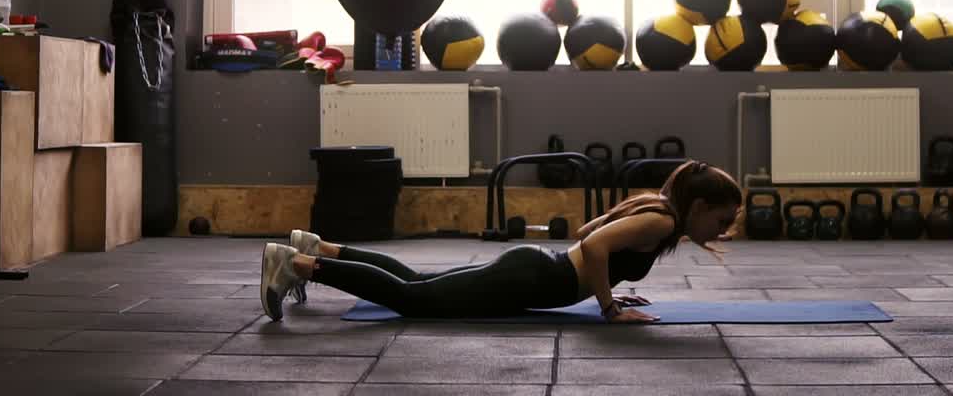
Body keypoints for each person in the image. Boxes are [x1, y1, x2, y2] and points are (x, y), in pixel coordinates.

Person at [259, 160, 743, 323]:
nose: (720, 233)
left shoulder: (653, 209)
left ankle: (319, 247)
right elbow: (594, 248)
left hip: (535, 269)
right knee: (412, 299)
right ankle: (297, 264)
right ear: (698, 208)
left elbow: (587, 235)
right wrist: (609, 308)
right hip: (532, 277)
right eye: (721, 221)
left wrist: (608, 286)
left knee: (417, 281)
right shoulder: (661, 222)